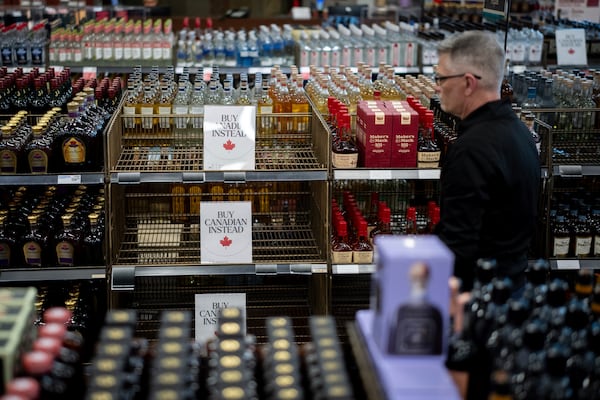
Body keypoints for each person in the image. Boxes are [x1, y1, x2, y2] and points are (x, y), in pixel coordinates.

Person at [433, 30, 540, 399]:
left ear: (467, 82)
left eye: (440, 78)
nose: (437, 87)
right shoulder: (521, 134)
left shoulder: (472, 149)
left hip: (475, 310)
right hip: (513, 293)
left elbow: (459, 246)